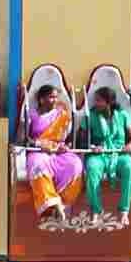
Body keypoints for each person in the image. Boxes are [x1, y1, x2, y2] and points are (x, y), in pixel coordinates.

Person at [25, 82, 82, 228]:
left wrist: (64, 146)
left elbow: (68, 138)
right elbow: (23, 139)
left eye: (56, 97)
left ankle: (63, 202)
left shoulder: (61, 115)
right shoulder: (31, 114)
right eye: (51, 97)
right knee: (38, 165)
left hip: (57, 152)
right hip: (38, 151)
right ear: (41, 99)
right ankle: (53, 204)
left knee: (75, 163)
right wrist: (39, 144)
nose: (55, 100)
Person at [82, 84, 131, 228]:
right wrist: (93, 147)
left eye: (99, 101)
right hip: (99, 154)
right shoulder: (91, 116)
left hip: (119, 154)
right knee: (92, 168)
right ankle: (96, 210)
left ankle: (124, 211)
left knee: (129, 166)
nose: (96, 103)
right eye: (96, 100)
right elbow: (81, 140)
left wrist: (130, 146)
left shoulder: (123, 115)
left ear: (109, 102)